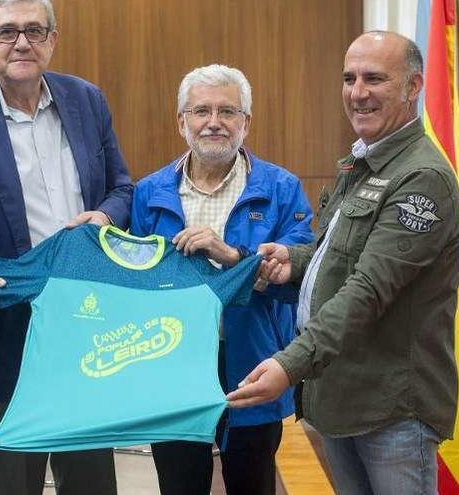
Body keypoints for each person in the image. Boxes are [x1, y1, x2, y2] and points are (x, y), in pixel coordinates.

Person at [227, 31, 459, 495]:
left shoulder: (422, 177)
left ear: (413, 87)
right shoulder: (364, 162)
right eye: (349, 78)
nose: (357, 93)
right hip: (343, 394)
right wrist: (293, 263)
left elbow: (367, 290)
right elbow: (335, 258)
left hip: (393, 407)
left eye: (374, 79)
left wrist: (289, 364)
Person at [0, 0, 133, 493]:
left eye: (35, 30)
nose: (22, 42)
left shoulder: (87, 101)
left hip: (86, 327)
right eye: (7, 32)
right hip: (1, 326)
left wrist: (104, 216)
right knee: (15, 480)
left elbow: (122, 188)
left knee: (91, 480)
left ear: (53, 39)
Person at [130, 64, 313, 495]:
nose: (214, 122)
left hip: (252, 364)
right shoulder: (150, 192)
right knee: (179, 485)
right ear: (182, 122)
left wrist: (233, 257)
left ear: (246, 123)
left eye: (228, 111)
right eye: (201, 111)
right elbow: (137, 286)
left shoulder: (282, 188)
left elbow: (299, 281)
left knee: (252, 484)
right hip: (173, 366)